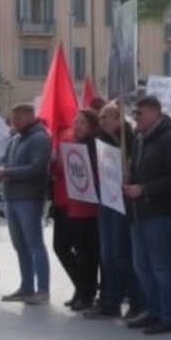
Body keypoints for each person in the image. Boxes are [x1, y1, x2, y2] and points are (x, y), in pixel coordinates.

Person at [124, 95, 171, 335]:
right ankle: (153, 310)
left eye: (138, 114)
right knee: (143, 267)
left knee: (162, 268)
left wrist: (146, 189)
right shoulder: (140, 139)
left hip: (159, 212)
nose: (134, 118)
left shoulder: (170, 139)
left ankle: (169, 316)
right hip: (139, 213)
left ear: (154, 113)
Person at [85, 101, 143, 321]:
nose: (102, 121)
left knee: (121, 254)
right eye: (100, 118)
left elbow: (131, 165)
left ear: (119, 118)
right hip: (106, 200)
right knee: (107, 254)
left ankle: (137, 300)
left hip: (122, 203)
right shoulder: (100, 139)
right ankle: (111, 301)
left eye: (106, 117)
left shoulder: (130, 139)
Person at [0, 104, 51, 305]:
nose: (13, 121)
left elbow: (37, 167)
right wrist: (2, 168)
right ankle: (26, 286)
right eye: (12, 117)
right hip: (11, 197)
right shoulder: (15, 138)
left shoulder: (40, 138)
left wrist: (7, 173)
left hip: (29, 198)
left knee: (35, 245)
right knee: (20, 246)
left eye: (17, 117)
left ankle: (42, 289)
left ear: (29, 116)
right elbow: (4, 160)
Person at [50, 112, 101, 312]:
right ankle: (81, 286)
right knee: (60, 246)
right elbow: (59, 172)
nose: (77, 125)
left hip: (84, 206)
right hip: (64, 203)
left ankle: (87, 292)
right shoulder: (69, 144)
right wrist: (56, 162)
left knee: (86, 252)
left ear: (91, 126)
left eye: (82, 122)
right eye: (75, 121)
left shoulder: (92, 146)